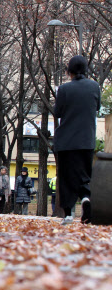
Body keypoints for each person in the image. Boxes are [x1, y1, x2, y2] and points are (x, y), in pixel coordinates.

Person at [54, 55, 101, 225]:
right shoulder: (95, 86)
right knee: (84, 174)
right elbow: (97, 107)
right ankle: (86, 198)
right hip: (86, 139)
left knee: (67, 177)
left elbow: (57, 112)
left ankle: (68, 213)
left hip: (67, 141)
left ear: (69, 71)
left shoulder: (64, 89)